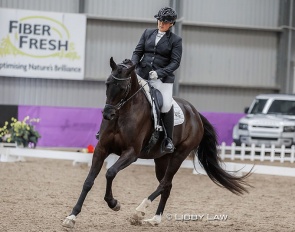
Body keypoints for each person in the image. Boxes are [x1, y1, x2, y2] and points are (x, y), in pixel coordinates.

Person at [131, 6, 182, 153]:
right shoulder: (147, 33)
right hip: (141, 73)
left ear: (171, 23)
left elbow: (175, 62)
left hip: (162, 79)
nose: (161, 23)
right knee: (123, 91)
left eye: (165, 22)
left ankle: (168, 139)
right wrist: (133, 65)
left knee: (166, 105)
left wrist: (159, 73)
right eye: (160, 20)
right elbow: (137, 52)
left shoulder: (176, 40)